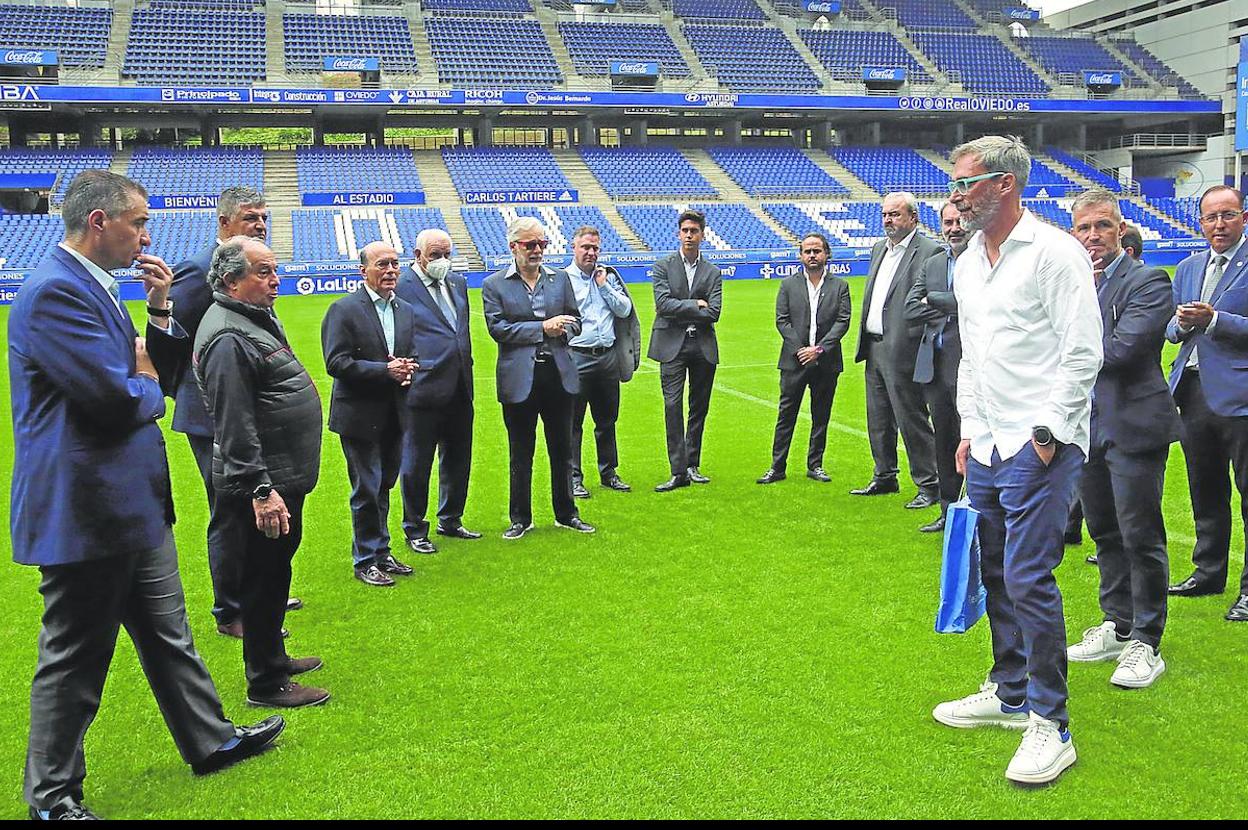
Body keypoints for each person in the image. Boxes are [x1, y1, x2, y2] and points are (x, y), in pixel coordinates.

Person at [9, 171, 284, 820]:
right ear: (99, 222)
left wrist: (159, 312)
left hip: (127, 505)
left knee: (169, 636)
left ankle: (210, 740)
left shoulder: (91, 287)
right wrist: (147, 385)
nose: (147, 234)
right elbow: (115, 398)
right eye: (138, 221)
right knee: (74, 657)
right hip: (87, 511)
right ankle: (51, 797)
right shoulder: (54, 292)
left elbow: (144, 368)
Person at [932, 136, 1102, 786]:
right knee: (995, 571)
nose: (956, 197)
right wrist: (973, 430)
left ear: (1005, 184)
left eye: (966, 184)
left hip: (1042, 445)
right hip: (990, 443)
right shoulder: (969, 261)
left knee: (1030, 575)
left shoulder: (1055, 253)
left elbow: (1082, 351)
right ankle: (1009, 694)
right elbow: (973, 354)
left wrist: (1048, 433)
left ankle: (1050, 725)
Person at [194, 236, 329, 708]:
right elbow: (234, 424)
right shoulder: (230, 337)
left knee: (274, 571)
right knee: (263, 576)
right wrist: (261, 489)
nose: (276, 281)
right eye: (264, 273)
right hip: (265, 481)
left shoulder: (248, 321)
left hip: (281, 474)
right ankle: (267, 681)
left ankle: (273, 654)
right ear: (232, 281)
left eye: (275, 271)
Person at [169, 186, 302, 637]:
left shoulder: (255, 271)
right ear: (224, 223)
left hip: (247, 407)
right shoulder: (198, 269)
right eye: (250, 218)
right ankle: (231, 610)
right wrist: (193, 392)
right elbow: (175, 345)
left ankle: (260, 592)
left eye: (264, 217)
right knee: (230, 510)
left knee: (252, 507)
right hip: (213, 413)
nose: (260, 224)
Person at [1065, 188, 1180, 688]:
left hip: (1133, 425)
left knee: (1140, 533)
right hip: (1087, 428)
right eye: (1084, 228)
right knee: (1104, 532)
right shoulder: (1071, 285)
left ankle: (1147, 640)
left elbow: (1122, 351)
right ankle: (1117, 621)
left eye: (1102, 226)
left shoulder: (1148, 281)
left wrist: (1060, 351)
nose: (1093, 236)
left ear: (1121, 229)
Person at [1165, 185, 1248, 623]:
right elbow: (1170, 330)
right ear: (1200, 222)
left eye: (1227, 215)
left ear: (1243, 218)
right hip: (1193, 391)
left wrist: (1215, 320)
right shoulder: (1188, 267)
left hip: (1241, 395)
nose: (1219, 224)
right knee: (1205, 488)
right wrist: (1178, 326)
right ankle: (1209, 571)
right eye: (1211, 217)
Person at [482, 217, 595, 539]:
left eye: (542, 244)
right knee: (521, 451)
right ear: (513, 247)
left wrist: (566, 328)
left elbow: (576, 321)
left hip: (557, 373)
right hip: (519, 377)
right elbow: (498, 329)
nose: (537, 250)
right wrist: (542, 328)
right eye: (530, 244)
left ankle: (567, 513)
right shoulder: (495, 285)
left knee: (562, 450)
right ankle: (520, 517)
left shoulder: (559, 280)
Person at [322, 242, 418, 587]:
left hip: (396, 412)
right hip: (359, 415)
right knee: (366, 487)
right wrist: (385, 371)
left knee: (385, 485)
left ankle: (381, 551)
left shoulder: (405, 309)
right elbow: (336, 363)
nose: (391, 270)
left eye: (395, 263)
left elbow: (408, 353)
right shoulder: (343, 310)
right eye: (382, 264)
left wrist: (409, 369)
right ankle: (364, 559)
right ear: (363, 270)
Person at [850, 191, 942, 510]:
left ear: (913, 218)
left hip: (904, 348)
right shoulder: (879, 249)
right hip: (874, 347)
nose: (888, 220)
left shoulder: (930, 251)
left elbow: (937, 303)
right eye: (885, 215)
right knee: (878, 417)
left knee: (910, 418)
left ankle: (929, 484)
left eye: (895, 215)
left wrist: (916, 337)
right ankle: (885, 475)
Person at [395, 228, 481, 550]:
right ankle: (415, 528)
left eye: (447, 254)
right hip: (423, 387)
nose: (442, 261)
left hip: (460, 384)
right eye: (435, 255)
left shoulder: (457, 282)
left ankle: (451, 519)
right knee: (417, 463)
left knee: (459, 457)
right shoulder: (402, 287)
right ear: (417, 256)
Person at [757, 232, 851, 485]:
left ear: (826, 254)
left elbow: (843, 322)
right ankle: (777, 467)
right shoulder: (788, 285)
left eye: (817, 251)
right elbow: (782, 320)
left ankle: (815, 464)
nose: (812, 255)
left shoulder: (840, 286)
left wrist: (818, 350)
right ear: (800, 255)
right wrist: (801, 349)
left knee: (821, 415)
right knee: (786, 415)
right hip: (793, 361)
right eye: (807, 251)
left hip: (826, 362)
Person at [649, 209, 723, 492]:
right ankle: (677, 470)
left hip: (702, 346)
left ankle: (693, 464)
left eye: (694, 231)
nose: (689, 235)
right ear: (678, 233)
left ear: (703, 234)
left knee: (698, 408)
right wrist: (696, 305)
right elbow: (662, 304)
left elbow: (714, 312)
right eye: (685, 231)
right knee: (672, 406)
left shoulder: (713, 272)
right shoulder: (663, 266)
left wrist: (685, 308)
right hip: (671, 346)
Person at [904, 202, 967, 533]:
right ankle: (947, 510)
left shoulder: (981, 260)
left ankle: (980, 511)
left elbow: (972, 302)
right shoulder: (933, 263)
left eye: (958, 221)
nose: (954, 227)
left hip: (968, 365)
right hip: (935, 365)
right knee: (943, 440)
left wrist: (936, 300)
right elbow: (911, 307)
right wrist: (950, 307)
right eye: (947, 222)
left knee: (973, 440)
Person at [565, 225, 640, 498]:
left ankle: (609, 472)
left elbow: (625, 309)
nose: (591, 252)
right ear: (573, 248)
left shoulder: (608, 276)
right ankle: (573, 477)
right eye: (585, 247)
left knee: (607, 419)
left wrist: (604, 285)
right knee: (573, 423)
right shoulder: (562, 280)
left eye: (595, 247)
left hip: (607, 357)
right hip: (576, 357)